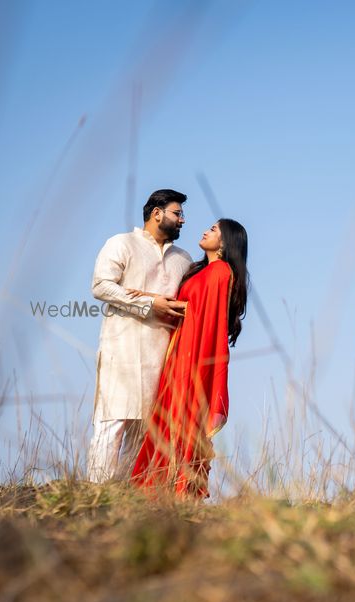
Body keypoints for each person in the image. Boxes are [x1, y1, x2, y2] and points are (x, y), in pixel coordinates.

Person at [129, 218, 249, 499]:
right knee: (167, 415)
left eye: (215, 229)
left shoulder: (221, 272)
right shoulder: (202, 271)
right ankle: (159, 487)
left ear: (225, 242)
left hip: (194, 353)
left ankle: (179, 488)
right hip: (179, 350)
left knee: (185, 415)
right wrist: (147, 297)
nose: (207, 231)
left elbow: (208, 320)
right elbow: (190, 307)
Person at [88, 189, 192, 482]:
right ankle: (97, 497)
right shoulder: (122, 243)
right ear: (157, 213)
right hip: (122, 349)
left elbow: (190, 300)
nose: (183, 220)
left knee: (147, 429)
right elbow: (101, 286)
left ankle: (129, 500)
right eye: (177, 213)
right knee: (114, 421)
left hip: (162, 355)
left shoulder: (182, 259)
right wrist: (149, 303)